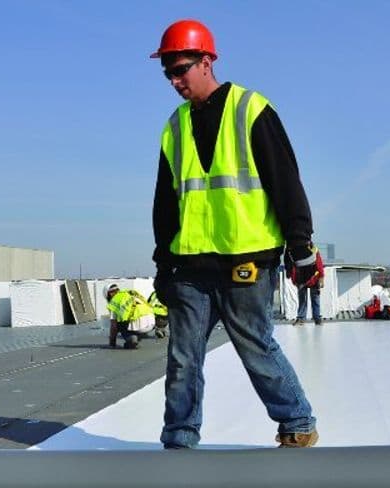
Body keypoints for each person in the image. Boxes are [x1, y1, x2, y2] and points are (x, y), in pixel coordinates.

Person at [149, 19, 319, 449]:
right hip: (189, 266)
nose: (174, 80)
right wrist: (163, 263)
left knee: (257, 351)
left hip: (246, 260)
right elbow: (166, 202)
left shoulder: (251, 109)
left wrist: (300, 248)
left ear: (207, 61)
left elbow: (285, 181)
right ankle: (179, 440)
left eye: (180, 69)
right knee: (183, 360)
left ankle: (298, 424)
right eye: (167, 72)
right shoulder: (174, 126)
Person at [105, 284, 156, 349]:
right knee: (132, 322)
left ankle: (131, 338)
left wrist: (112, 342)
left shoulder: (114, 301)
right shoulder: (131, 292)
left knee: (118, 323)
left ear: (109, 294)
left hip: (139, 326)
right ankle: (138, 336)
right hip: (152, 323)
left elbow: (113, 327)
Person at [287, 243, 324, 325]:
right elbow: (293, 266)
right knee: (302, 300)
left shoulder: (313, 249)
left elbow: (319, 264)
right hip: (301, 279)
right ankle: (301, 318)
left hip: (314, 278)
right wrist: (294, 280)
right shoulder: (293, 250)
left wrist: (321, 277)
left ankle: (317, 318)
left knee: (315, 300)